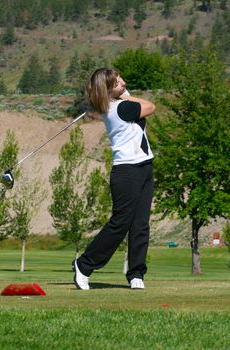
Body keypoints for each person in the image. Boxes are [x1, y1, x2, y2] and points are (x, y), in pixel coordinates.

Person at [73, 68, 156, 290]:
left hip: (144, 167)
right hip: (127, 172)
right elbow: (151, 107)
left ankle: (136, 273)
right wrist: (125, 95)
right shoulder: (121, 108)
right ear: (109, 90)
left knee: (140, 224)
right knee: (120, 223)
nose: (124, 83)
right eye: (119, 82)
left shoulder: (116, 105)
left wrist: (120, 93)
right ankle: (84, 264)